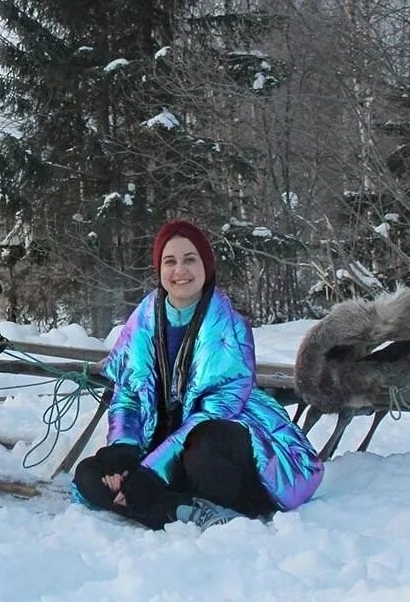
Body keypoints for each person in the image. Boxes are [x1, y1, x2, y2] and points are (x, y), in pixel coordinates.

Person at [72, 220, 324, 529]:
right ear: (159, 269)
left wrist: (151, 471)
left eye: (190, 259)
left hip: (220, 438)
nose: (180, 270)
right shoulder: (143, 319)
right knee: (88, 476)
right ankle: (181, 508)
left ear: (205, 265)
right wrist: (123, 453)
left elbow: (214, 411)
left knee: (203, 453)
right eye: (170, 261)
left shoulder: (230, 326)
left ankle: (173, 501)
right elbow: (127, 394)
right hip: (161, 444)